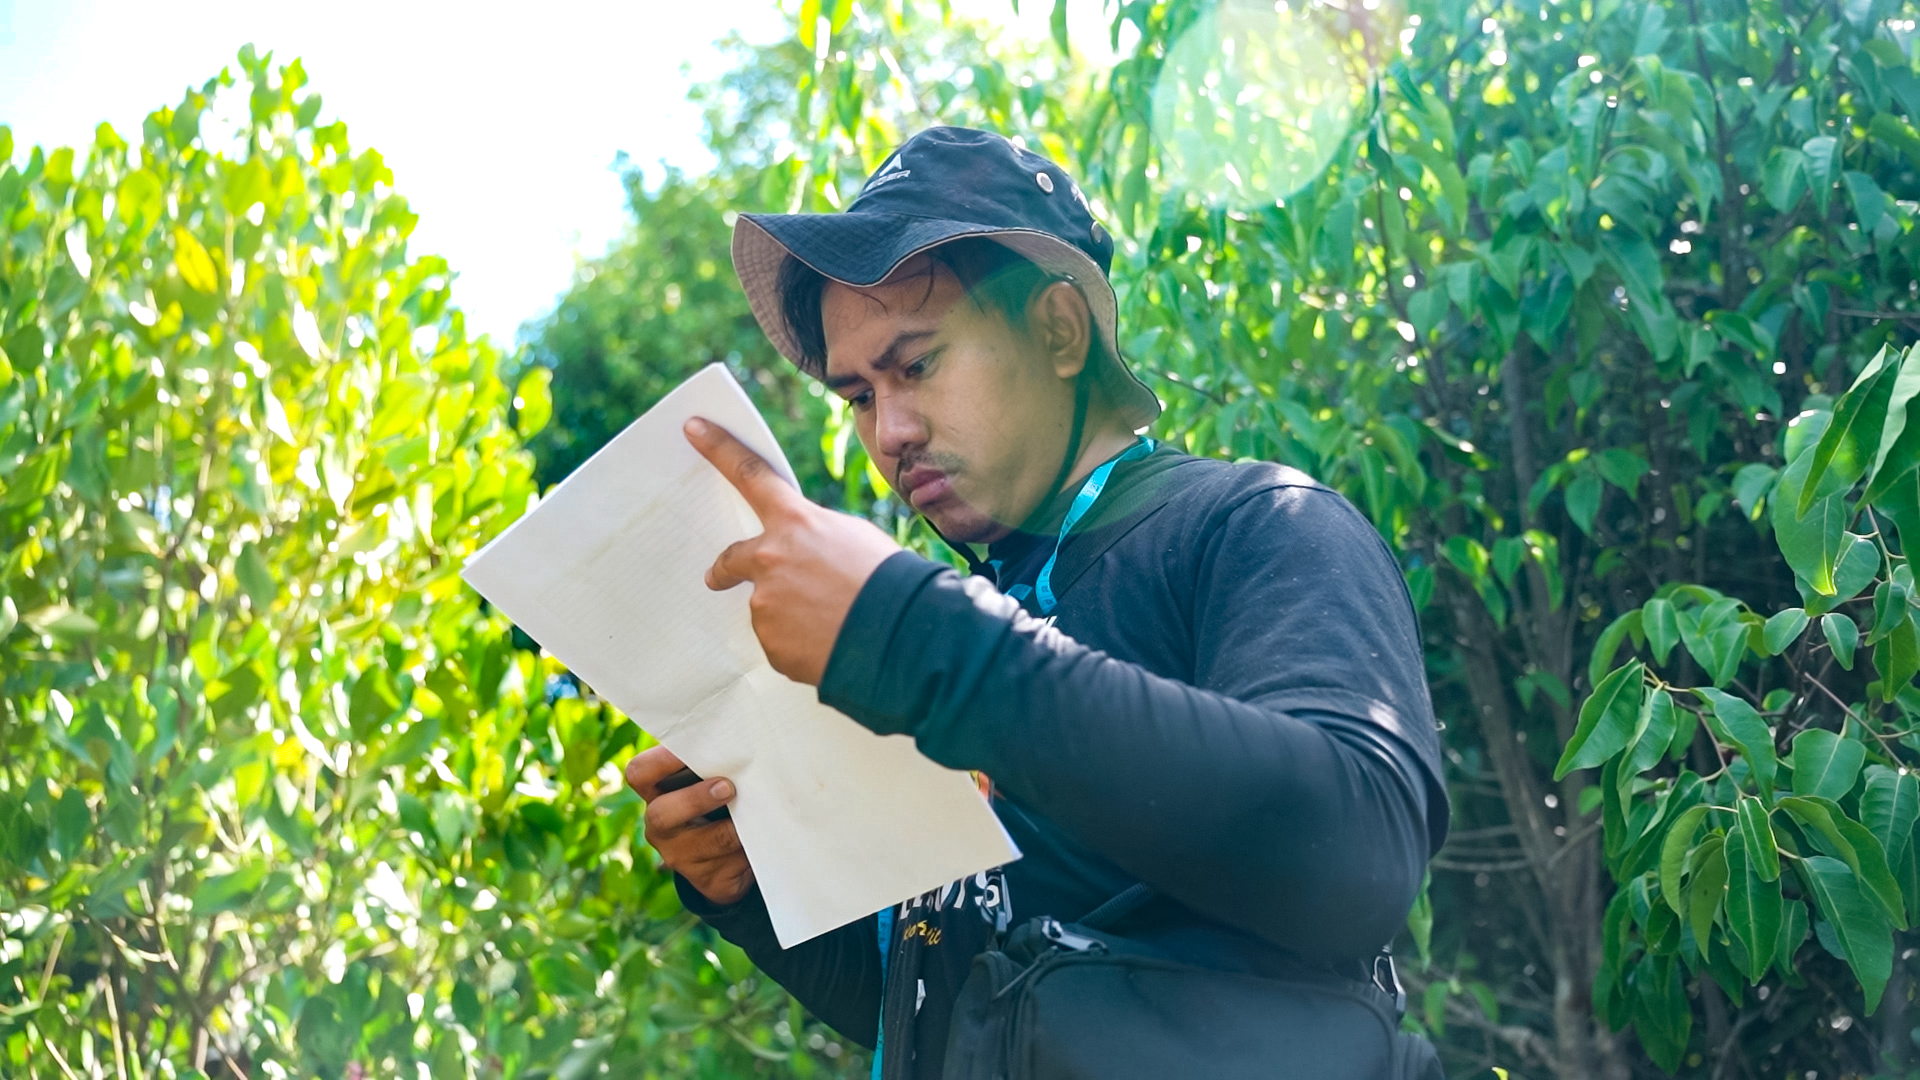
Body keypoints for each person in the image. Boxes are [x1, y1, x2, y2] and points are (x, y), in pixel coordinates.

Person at [623, 125, 1448, 1078]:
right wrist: (745, 890)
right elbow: (949, 999)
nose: (889, 433)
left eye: (916, 365)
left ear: (1059, 331)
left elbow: (1363, 854)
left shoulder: (1253, 525)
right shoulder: (968, 617)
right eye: (858, 396)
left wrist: (917, 634)